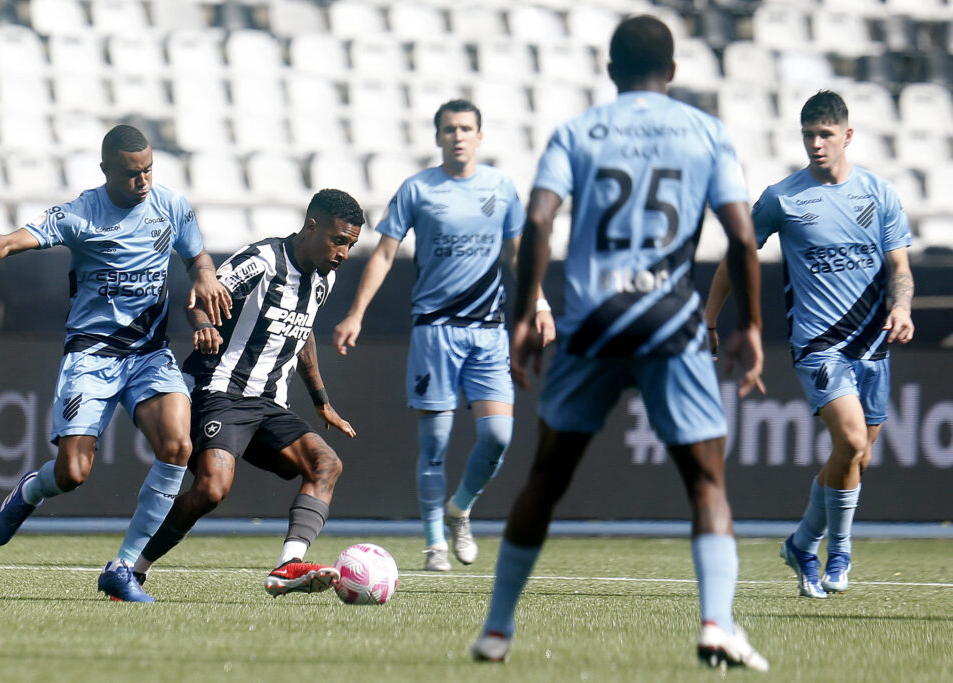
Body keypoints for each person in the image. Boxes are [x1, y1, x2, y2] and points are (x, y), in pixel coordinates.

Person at [471, 16, 769, 671]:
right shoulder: (706, 132)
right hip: (670, 320)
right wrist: (749, 324)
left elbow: (539, 218)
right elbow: (744, 238)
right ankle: (716, 623)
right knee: (706, 483)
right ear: (673, 71)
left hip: (594, 320)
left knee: (546, 477)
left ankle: (496, 628)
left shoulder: (578, 132)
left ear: (609, 69)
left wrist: (525, 313)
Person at [0, 124, 231, 603]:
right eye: (133, 173)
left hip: (150, 354)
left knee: (177, 444)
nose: (144, 181)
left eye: (149, 169)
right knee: (72, 473)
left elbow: (198, 259)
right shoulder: (81, 213)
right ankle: (30, 491)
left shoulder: (171, 205)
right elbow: (15, 240)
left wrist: (207, 277)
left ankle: (124, 567)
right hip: (92, 355)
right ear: (106, 170)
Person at [704, 90, 914, 600]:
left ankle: (801, 544)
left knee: (855, 461)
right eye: (808, 136)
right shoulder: (783, 197)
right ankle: (839, 551)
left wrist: (902, 306)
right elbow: (738, 256)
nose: (816, 145)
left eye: (825, 135)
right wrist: (708, 319)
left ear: (847, 135)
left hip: (873, 346)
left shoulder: (880, 194)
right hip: (820, 348)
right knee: (852, 444)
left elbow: (900, 269)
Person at [333, 99, 548, 572]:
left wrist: (540, 304)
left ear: (480, 135)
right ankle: (434, 542)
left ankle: (460, 509)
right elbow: (385, 255)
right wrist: (355, 313)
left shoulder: (500, 187)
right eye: (449, 129)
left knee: (498, 435)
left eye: (466, 128)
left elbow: (518, 256)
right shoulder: (418, 189)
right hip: (435, 332)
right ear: (437, 137)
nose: (458, 136)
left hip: (488, 333)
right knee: (436, 443)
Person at [131, 189, 364, 597]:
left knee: (326, 464)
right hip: (220, 391)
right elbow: (201, 295)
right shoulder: (263, 260)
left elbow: (303, 331)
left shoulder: (325, 277)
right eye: (339, 240)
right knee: (211, 489)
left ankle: (287, 566)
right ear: (312, 226)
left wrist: (321, 401)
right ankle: (134, 568)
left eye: (351, 245)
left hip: (270, 405)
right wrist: (203, 324)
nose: (344, 252)